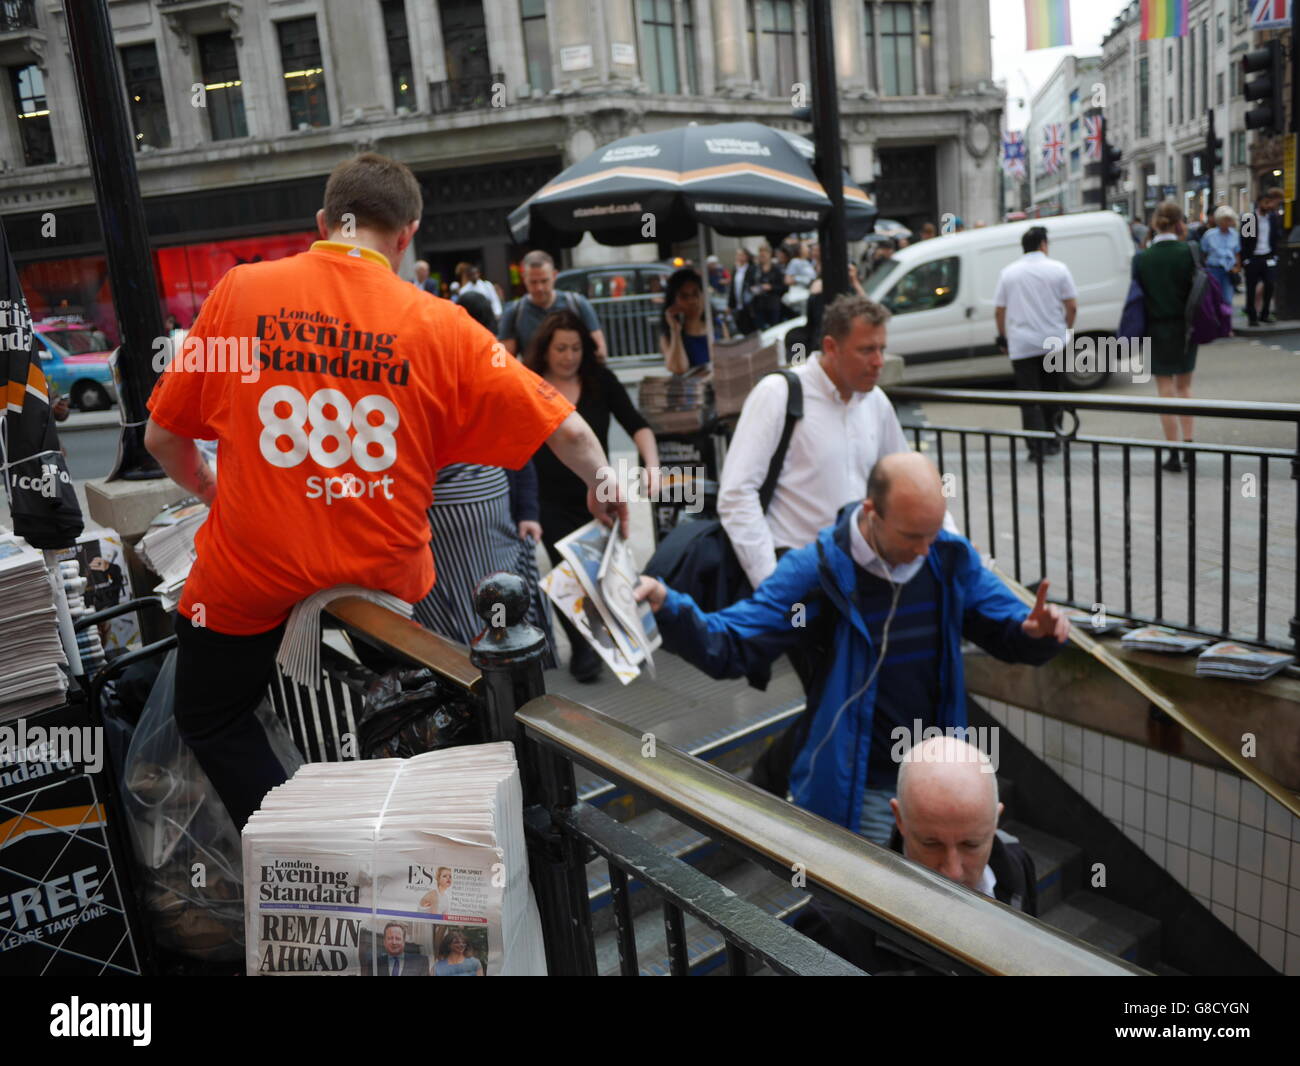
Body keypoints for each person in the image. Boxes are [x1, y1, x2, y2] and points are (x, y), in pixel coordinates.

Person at [144, 153, 628, 831]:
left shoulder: (239, 292)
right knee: (409, 713)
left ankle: (301, 848)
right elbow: (565, 427)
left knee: (210, 714)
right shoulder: (443, 325)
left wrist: (215, 489)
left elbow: (162, 439)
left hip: (254, 569)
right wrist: (605, 482)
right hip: (384, 584)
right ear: (407, 235)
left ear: (324, 222)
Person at [637, 452, 1069, 843]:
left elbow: (1006, 626)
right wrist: (668, 604)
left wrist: (1036, 634)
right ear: (871, 513)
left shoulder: (947, 557)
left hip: (934, 779)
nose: (923, 550)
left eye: (933, 534)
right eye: (911, 536)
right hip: (864, 787)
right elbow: (732, 642)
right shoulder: (815, 572)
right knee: (866, 915)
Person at [718, 294, 922, 594]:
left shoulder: (876, 401)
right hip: (799, 577)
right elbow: (736, 495)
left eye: (882, 349)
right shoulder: (777, 394)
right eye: (866, 350)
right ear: (831, 347)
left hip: (861, 578)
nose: (879, 362)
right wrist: (773, 584)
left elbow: (909, 482)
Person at [797, 735, 1039, 974]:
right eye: (931, 844)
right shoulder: (834, 924)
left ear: (996, 820)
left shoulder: (1017, 864)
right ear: (899, 818)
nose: (953, 872)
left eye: (971, 845)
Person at [413, 292, 555, 665]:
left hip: (490, 527)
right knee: (458, 622)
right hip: (440, 529)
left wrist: (528, 511)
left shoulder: (492, 371)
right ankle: (480, 688)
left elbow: (519, 447)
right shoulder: (423, 375)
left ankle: (505, 688)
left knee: (501, 606)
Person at [524, 308, 658, 682]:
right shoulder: (531, 383)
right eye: (561, 349)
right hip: (548, 498)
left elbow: (637, 424)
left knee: (604, 572)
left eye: (576, 348)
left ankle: (622, 639)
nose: (568, 357)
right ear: (546, 350)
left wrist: (653, 465)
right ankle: (584, 649)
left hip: (598, 496)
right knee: (567, 572)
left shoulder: (600, 380)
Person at [993, 225, 1078, 464]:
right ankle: (1054, 440)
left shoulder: (1008, 273)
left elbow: (999, 310)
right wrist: (1067, 330)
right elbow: (1071, 306)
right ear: (1043, 244)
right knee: (1053, 393)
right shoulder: (1059, 269)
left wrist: (1003, 337)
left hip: (1022, 345)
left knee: (1029, 398)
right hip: (1054, 341)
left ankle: (1035, 447)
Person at [1134, 201, 1198, 473]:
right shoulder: (1188, 252)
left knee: (1165, 391)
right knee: (1184, 388)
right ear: (1179, 223)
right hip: (1186, 328)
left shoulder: (1142, 258)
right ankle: (1190, 446)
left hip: (1155, 328)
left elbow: (1137, 297)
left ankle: (1173, 451)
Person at [498, 250, 607, 362]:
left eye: (544, 281)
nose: (539, 288)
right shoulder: (513, 311)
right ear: (524, 278)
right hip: (536, 377)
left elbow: (599, 351)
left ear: (554, 275)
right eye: (533, 282)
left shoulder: (577, 303)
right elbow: (504, 359)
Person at [660, 267, 725, 374]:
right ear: (674, 301)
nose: (692, 301)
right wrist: (675, 331)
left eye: (696, 294)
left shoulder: (717, 326)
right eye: (684, 296)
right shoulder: (668, 336)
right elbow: (679, 369)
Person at [1241, 187, 1283, 326]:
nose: (1268, 205)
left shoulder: (1273, 218)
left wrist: (1275, 255)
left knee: (1270, 284)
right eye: (1265, 202)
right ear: (1259, 203)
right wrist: (1246, 260)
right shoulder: (1250, 218)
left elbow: (1276, 237)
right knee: (1251, 288)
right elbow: (1244, 241)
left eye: (1270, 203)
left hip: (1268, 257)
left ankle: (1265, 314)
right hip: (1253, 258)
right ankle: (1252, 317)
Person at [1200, 206, 1241, 320]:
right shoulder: (1209, 235)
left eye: (1229, 219)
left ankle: (1226, 326)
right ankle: (1215, 324)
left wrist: (1238, 267)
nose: (1227, 222)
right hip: (1213, 269)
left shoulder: (1234, 235)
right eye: (1224, 219)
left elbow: (1237, 253)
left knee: (1227, 298)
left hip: (1229, 270)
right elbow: (1203, 253)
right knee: (1214, 297)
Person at [748, 243, 785, 330]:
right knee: (760, 330)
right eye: (761, 252)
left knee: (774, 329)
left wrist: (771, 287)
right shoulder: (754, 269)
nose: (762, 255)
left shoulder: (776, 269)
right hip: (758, 304)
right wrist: (753, 289)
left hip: (773, 304)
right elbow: (749, 284)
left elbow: (783, 287)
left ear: (770, 254)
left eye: (765, 252)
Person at [728, 247, 757, 334]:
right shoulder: (736, 269)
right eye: (738, 255)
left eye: (741, 255)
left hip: (749, 304)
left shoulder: (752, 269)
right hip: (738, 304)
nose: (739, 257)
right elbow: (733, 287)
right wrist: (730, 304)